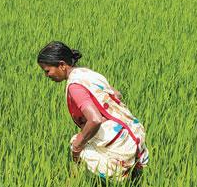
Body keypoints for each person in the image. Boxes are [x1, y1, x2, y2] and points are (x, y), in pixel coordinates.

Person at [37, 41, 148, 179]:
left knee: (76, 142)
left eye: (47, 71)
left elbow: (95, 120)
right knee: (133, 183)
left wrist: (77, 147)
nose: (46, 75)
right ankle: (133, 184)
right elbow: (117, 94)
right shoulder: (86, 73)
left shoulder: (75, 86)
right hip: (134, 132)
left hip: (121, 145)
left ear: (62, 65)